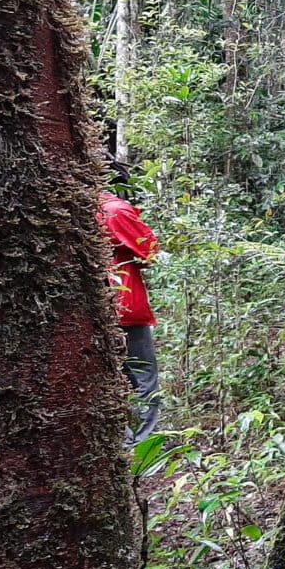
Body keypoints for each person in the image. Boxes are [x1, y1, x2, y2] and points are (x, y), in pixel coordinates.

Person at [97, 165, 161, 445]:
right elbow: (150, 251)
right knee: (143, 379)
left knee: (110, 375)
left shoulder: (75, 208)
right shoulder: (116, 210)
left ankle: (118, 442)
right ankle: (139, 448)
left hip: (95, 308)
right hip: (124, 307)